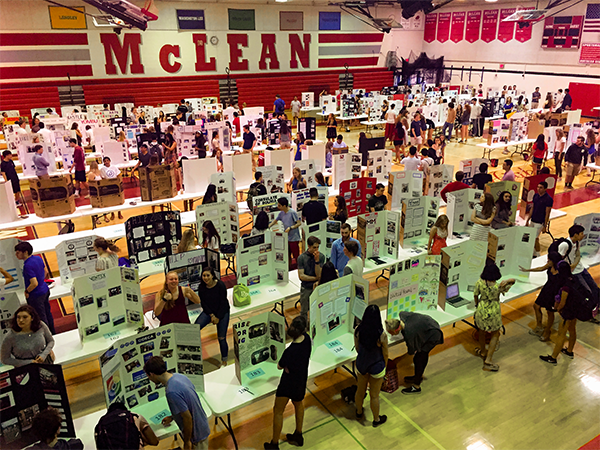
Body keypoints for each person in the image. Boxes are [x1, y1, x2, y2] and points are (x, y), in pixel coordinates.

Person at [264, 316, 311, 450]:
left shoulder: (290, 351)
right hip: (301, 380)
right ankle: (298, 434)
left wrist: (286, 367)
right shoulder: (307, 340)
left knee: (278, 411)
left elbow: (279, 366)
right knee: (298, 404)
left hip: (288, 383)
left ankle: (274, 444)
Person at [144, 356, 210, 450]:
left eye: (148, 376)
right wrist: (173, 417)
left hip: (197, 434)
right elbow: (187, 404)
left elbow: (187, 418)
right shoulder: (179, 376)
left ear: (152, 374)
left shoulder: (171, 392)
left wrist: (187, 442)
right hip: (202, 425)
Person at [385, 311, 443, 394]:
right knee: (418, 356)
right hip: (429, 324)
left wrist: (396, 361)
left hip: (433, 334)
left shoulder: (410, 334)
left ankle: (416, 386)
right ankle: (417, 376)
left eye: (391, 333)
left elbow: (410, 353)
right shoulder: (403, 315)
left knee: (419, 358)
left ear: (395, 331)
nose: (392, 336)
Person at [540, 261, 586, 364]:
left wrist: (558, 309)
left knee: (561, 334)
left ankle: (553, 357)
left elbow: (563, 302)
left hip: (568, 312)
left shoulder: (565, 285)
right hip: (575, 310)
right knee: (572, 330)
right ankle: (569, 350)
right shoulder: (575, 279)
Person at [474, 264, 515, 372]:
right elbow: (513, 281)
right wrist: (508, 280)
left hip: (481, 309)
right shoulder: (499, 286)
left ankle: (483, 351)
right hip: (494, 311)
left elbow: (475, 295)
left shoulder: (479, 283)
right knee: (495, 334)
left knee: (481, 331)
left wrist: (477, 305)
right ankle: (488, 360)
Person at [354, 305, 388, 425]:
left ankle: (358, 412)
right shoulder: (381, 334)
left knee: (360, 391)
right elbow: (385, 354)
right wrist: (385, 368)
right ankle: (376, 419)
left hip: (362, 363)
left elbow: (357, 348)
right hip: (376, 365)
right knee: (374, 395)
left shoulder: (358, 330)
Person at [520, 251, 563, 342]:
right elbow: (540, 269)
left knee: (550, 312)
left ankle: (547, 331)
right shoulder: (550, 265)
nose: (547, 261)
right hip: (547, 288)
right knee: (536, 306)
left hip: (554, 292)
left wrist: (559, 298)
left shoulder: (561, 269)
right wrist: (527, 270)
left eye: (549, 259)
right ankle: (539, 326)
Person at [15, 241, 54, 334]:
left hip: (36, 295)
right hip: (44, 290)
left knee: (41, 317)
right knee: (48, 313)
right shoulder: (38, 258)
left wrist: (27, 291)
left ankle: (47, 335)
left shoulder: (27, 266)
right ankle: (53, 332)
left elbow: (34, 283)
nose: (16, 254)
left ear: (25, 252)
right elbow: (45, 272)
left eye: (18, 252)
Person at [558, 224, 600, 309]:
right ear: (575, 234)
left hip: (580, 268)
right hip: (574, 273)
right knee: (586, 290)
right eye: (581, 233)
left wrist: (575, 264)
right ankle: (590, 309)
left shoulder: (576, 242)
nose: (583, 235)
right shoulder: (564, 245)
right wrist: (569, 268)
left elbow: (577, 255)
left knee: (594, 287)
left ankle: (597, 305)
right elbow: (559, 260)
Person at [195, 267, 229, 366]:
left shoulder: (220, 285)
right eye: (204, 276)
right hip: (209, 311)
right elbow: (204, 303)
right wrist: (212, 315)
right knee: (195, 328)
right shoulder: (201, 287)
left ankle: (224, 360)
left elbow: (223, 302)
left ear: (212, 276)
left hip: (222, 311)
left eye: (208, 275)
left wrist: (218, 317)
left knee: (222, 338)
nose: (205, 278)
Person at [297, 236, 325, 319]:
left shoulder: (321, 257)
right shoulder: (301, 258)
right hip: (306, 288)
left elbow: (319, 274)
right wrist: (316, 278)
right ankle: (304, 327)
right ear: (309, 246)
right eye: (314, 247)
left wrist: (317, 262)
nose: (316, 250)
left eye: (317, 247)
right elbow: (301, 276)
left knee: (318, 309)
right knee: (304, 311)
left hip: (317, 288)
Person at [270, 197, 302, 264]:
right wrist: (267, 227)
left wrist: (291, 228)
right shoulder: (281, 213)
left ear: (284, 206)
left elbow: (299, 223)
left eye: (279, 205)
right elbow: (274, 221)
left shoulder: (292, 212)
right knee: (287, 255)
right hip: (286, 238)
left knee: (296, 256)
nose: (278, 207)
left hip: (294, 238)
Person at [525, 181, 553, 256]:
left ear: (545, 189)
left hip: (540, 222)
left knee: (535, 238)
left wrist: (545, 225)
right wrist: (527, 220)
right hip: (533, 220)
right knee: (530, 237)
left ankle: (538, 254)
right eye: (538, 187)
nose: (538, 189)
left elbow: (547, 213)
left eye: (541, 188)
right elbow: (532, 208)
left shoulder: (548, 199)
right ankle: (533, 252)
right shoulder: (536, 196)